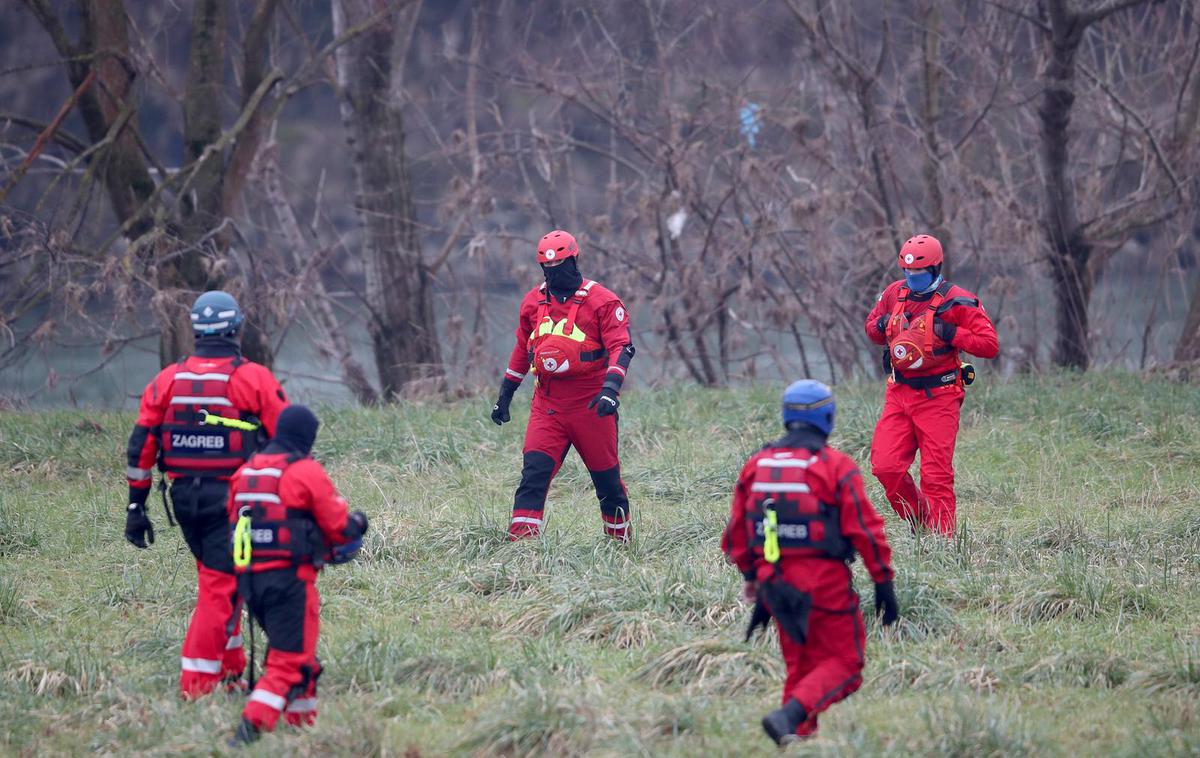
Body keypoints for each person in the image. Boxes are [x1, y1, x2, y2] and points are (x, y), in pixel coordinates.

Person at [123, 291, 289, 698]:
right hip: (234, 502)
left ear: (195, 332)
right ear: (237, 328)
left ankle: (231, 672)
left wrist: (135, 505)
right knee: (220, 590)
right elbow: (287, 439)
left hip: (184, 502)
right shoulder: (253, 378)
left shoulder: (167, 380)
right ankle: (195, 686)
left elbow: (141, 444)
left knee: (221, 583)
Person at [722, 380, 898, 745]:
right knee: (847, 664)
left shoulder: (757, 464)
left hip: (775, 583)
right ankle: (788, 717)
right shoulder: (835, 466)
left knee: (802, 669)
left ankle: (794, 738)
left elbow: (736, 536)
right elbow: (866, 531)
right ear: (828, 417)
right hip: (824, 582)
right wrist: (883, 584)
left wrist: (755, 581)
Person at [226, 404, 368, 744]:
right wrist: (359, 523)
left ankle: (301, 728)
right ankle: (248, 732)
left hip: (250, 584)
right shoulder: (304, 471)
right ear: (306, 437)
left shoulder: (245, 471)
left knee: (304, 660)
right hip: (290, 583)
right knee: (289, 661)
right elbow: (338, 527)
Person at [490, 230, 636, 541]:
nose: (554, 274)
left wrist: (611, 390)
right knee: (534, 474)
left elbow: (621, 346)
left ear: (575, 260)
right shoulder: (533, 302)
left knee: (607, 482)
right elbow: (521, 348)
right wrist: (505, 394)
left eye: (561, 267)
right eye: (548, 269)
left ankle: (620, 544)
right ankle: (522, 547)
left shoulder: (603, 302)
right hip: (548, 405)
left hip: (591, 405)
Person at [864, 234, 999, 536]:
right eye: (907, 273)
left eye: (919, 274)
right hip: (899, 393)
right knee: (886, 467)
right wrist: (884, 325)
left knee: (935, 475)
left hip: (940, 395)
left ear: (937, 269)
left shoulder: (957, 300)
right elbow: (872, 329)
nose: (912, 279)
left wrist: (949, 332)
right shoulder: (893, 294)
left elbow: (989, 344)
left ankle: (942, 544)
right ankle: (921, 521)